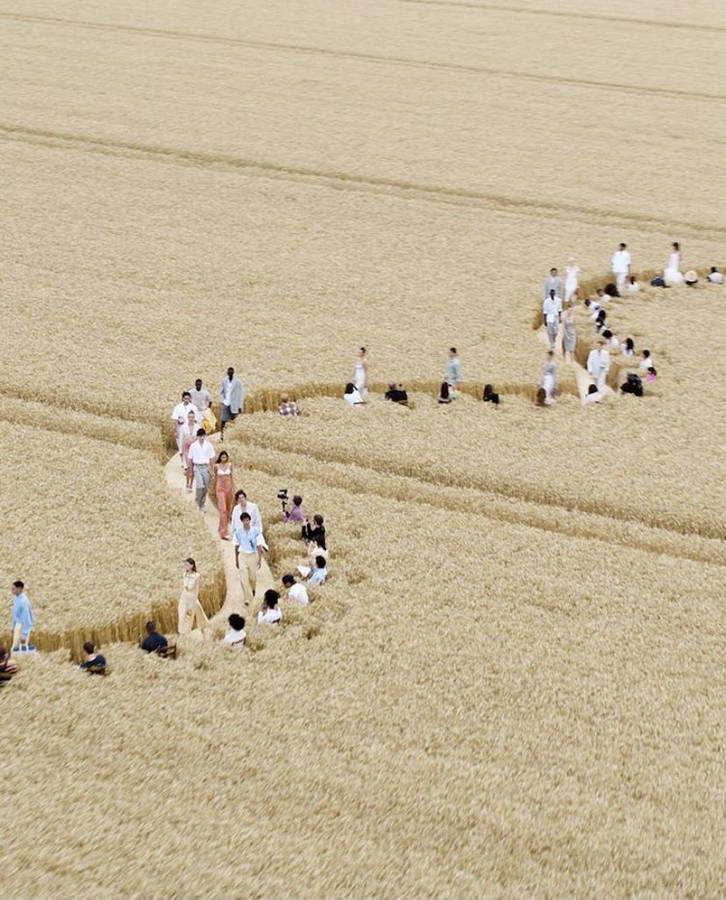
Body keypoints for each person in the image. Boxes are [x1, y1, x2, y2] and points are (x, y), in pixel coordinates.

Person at [233, 512, 266, 604]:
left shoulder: (256, 531)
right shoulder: (238, 532)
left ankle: (253, 588)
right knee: (243, 577)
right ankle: (247, 598)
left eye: (247, 520)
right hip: (242, 555)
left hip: (252, 555)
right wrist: (236, 559)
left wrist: (259, 559)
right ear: (242, 521)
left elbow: (259, 545)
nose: (246, 522)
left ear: (249, 520)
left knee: (252, 577)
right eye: (244, 520)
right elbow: (236, 546)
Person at [177, 558, 209, 635]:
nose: (185, 566)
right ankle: (182, 633)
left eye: (187, 564)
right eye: (185, 564)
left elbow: (197, 590)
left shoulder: (196, 576)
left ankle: (190, 632)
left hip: (192, 599)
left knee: (191, 617)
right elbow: (184, 587)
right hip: (183, 598)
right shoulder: (184, 574)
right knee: (181, 617)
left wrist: (193, 603)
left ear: (192, 566)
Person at [189, 429, 215, 510]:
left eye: (203, 436)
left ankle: (202, 504)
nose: (202, 438)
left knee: (205, 487)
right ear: (197, 436)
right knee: (200, 485)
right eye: (200, 436)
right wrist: (190, 469)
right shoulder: (193, 446)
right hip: (197, 467)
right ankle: (197, 502)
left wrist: (212, 469)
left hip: (206, 467)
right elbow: (190, 458)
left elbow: (211, 457)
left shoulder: (209, 445)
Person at [170, 392, 200, 463]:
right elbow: (175, 419)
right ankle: (183, 461)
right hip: (180, 429)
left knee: (191, 446)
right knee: (181, 445)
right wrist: (176, 430)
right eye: (185, 398)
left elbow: (197, 419)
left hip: (190, 429)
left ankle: (191, 461)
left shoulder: (193, 407)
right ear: (183, 399)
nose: (186, 400)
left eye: (188, 399)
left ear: (190, 399)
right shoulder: (178, 407)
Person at [213, 450, 235, 539]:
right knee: (223, 510)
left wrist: (233, 488)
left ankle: (221, 527)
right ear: (220, 458)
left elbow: (232, 477)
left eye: (225, 457)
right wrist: (214, 490)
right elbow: (215, 478)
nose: (223, 458)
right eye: (222, 457)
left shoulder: (230, 465)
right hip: (220, 489)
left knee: (228, 510)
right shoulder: (216, 466)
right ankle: (224, 532)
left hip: (228, 489)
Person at [219, 367, 244, 439]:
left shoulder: (238, 382)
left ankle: (233, 436)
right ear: (227, 372)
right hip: (226, 403)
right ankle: (222, 435)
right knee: (223, 420)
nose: (230, 373)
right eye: (229, 372)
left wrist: (240, 406)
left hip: (234, 404)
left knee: (233, 420)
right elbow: (221, 392)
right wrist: (222, 401)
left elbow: (240, 395)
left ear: (233, 372)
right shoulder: (224, 381)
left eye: (231, 372)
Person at [10, 581, 34, 652]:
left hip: (23, 625)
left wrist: (24, 635)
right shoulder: (15, 598)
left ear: (19, 589)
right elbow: (14, 613)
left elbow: (27, 620)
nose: (12, 591)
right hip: (18, 624)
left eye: (13, 589)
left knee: (21, 649)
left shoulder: (24, 602)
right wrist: (12, 626)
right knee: (15, 648)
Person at [180, 409, 197, 491]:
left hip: (194, 447)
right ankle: (187, 483)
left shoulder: (198, 427)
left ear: (194, 417)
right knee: (189, 466)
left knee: (193, 467)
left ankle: (191, 484)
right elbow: (181, 438)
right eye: (189, 417)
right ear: (187, 417)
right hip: (186, 447)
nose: (191, 418)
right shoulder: (183, 427)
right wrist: (180, 451)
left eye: (192, 417)